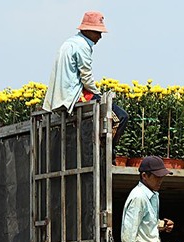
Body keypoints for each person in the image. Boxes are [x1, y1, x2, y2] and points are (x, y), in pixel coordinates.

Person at [43, 11, 128, 156]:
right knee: (121, 117)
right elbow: (86, 76)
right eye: (98, 32)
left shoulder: (70, 42)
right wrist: (98, 94)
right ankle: (107, 152)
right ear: (88, 30)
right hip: (75, 94)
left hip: (62, 95)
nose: (100, 37)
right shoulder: (82, 46)